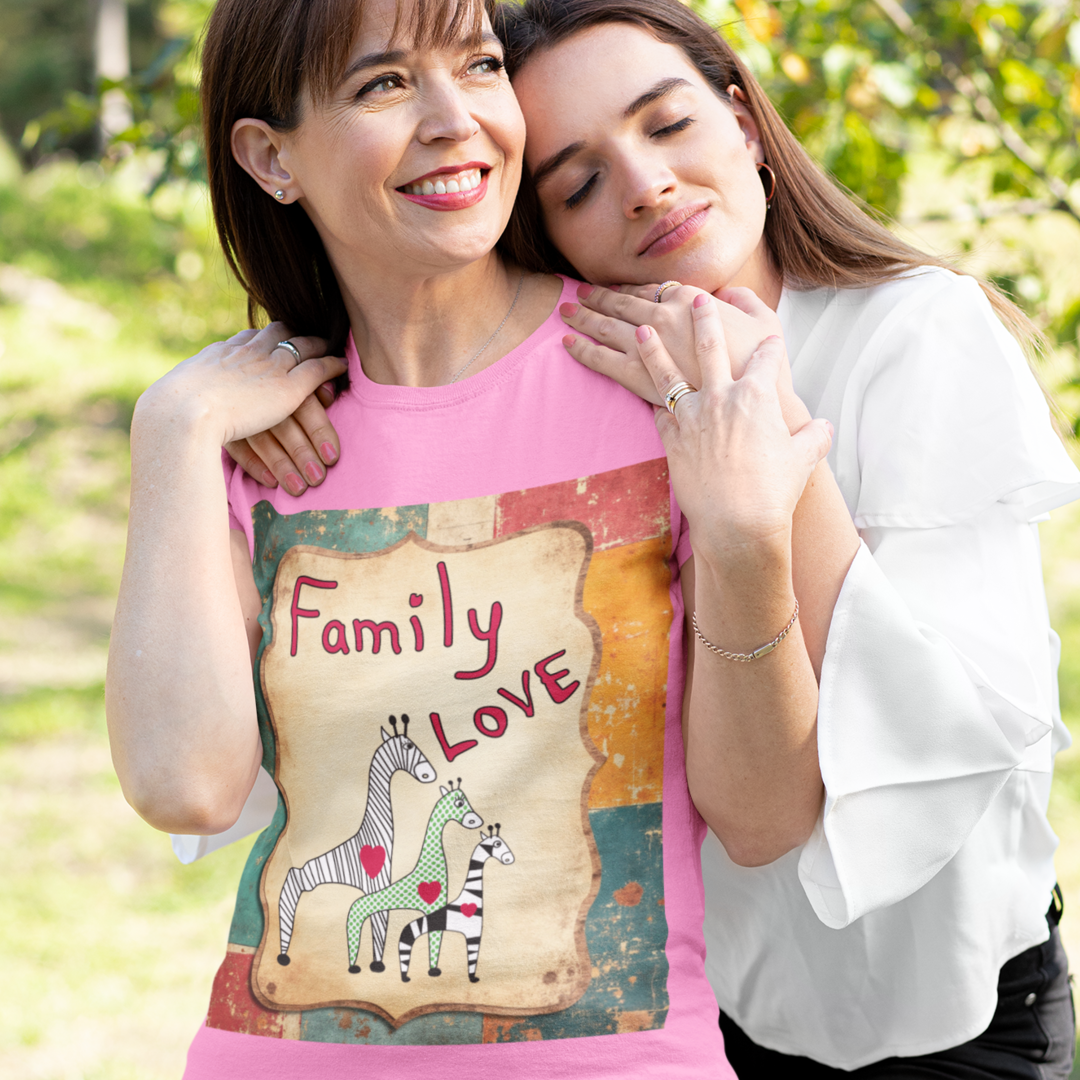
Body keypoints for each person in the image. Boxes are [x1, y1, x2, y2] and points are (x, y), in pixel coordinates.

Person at [223, 0, 1080, 1075]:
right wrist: (275, 389)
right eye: (578, 183)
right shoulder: (604, 395)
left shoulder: (914, 335)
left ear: (743, 121)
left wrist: (756, 426)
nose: (644, 186)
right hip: (708, 1002)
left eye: (667, 126)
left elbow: (946, 730)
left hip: (953, 1005)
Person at [105, 0, 837, 1074]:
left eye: (481, 66)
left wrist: (741, 538)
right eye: (385, 84)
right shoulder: (253, 437)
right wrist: (170, 433)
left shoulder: (681, 364)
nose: (455, 118)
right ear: (271, 159)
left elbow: (766, 817)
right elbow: (186, 786)